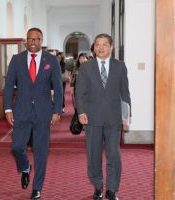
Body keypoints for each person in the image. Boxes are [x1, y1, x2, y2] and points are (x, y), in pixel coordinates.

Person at [3, 27, 63, 200]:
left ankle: (37, 188)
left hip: (44, 112)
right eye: (30, 39)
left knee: (41, 151)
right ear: (26, 41)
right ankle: (25, 167)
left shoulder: (51, 60)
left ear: (41, 41)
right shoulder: (16, 60)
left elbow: (58, 88)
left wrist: (57, 110)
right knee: (16, 147)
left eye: (36, 39)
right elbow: (9, 86)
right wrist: (7, 108)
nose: (33, 42)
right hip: (21, 111)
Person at [75, 33, 131, 200]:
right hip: (92, 118)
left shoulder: (120, 66)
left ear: (111, 47)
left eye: (104, 44)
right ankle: (98, 187)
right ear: (94, 47)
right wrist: (81, 112)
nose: (100, 47)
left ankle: (112, 189)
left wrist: (126, 115)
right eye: (97, 44)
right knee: (94, 155)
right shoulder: (86, 67)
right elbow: (80, 92)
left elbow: (125, 92)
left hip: (114, 118)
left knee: (114, 154)